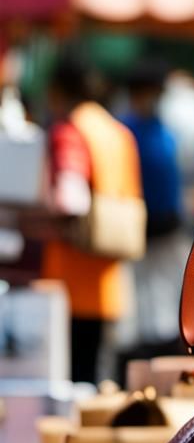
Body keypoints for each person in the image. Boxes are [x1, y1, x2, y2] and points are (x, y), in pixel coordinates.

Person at [41, 52, 142, 384]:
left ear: (57, 89)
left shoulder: (69, 130)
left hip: (70, 277)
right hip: (109, 277)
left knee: (72, 383)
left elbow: (70, 199)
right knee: (100, 380)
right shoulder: (117, 132)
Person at [120, 59, 187, 353]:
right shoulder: (126, 130)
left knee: (167, 293)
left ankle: (163, 344)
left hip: (166, 224)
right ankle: (141, 350)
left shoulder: (163, 129)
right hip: (138, 226)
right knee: (139, 298)